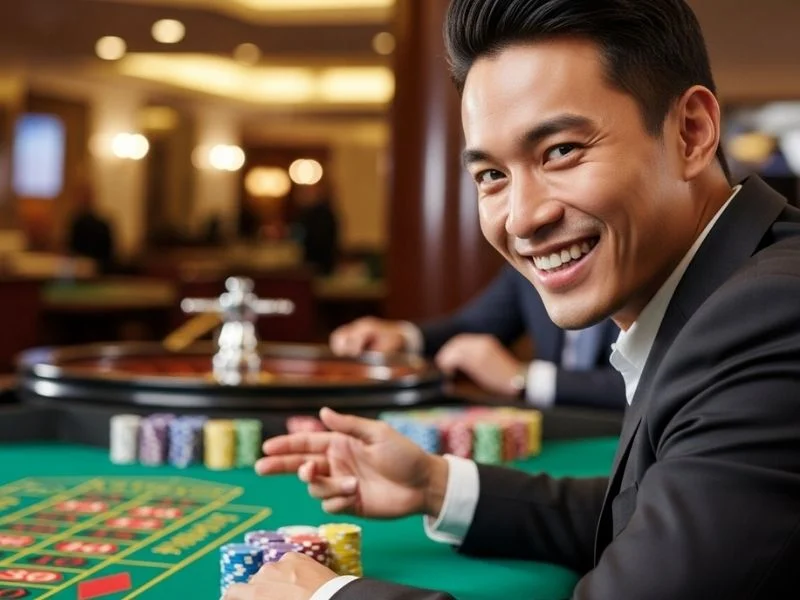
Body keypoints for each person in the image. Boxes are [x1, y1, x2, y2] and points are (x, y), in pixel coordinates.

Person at [226, 0, 800, 598]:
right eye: (491, 176)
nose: (522, 218)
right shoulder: (726, 290)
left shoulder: (772, 316)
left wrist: (328, 597)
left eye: (561, 151)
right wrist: (434, 484)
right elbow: (646, 515)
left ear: (691, 133)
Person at [331, 264, 625, 410]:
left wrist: (522, 378)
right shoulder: (533, 260)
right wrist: (404, 337)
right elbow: (474, 325)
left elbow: (642, 384)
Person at [66, 182, 115, 274]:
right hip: (79, 271)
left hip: (99, 272)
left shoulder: (102, 225)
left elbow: (109, 255)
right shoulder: (75, 223)